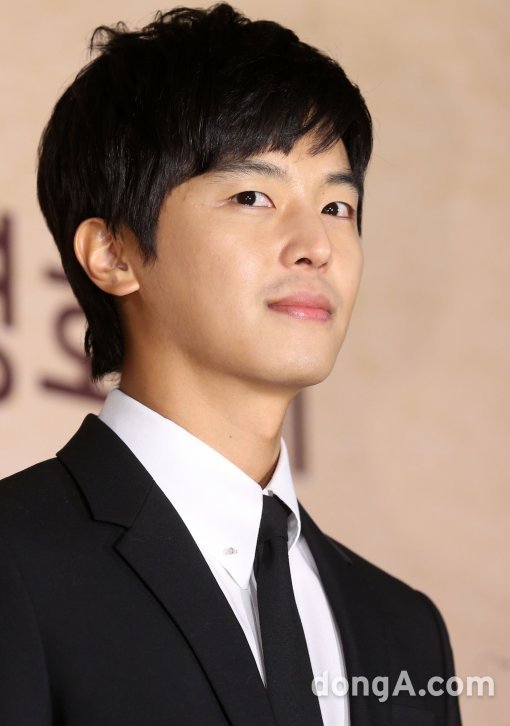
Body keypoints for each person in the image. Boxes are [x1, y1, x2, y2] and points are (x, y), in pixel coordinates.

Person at [0, 4, 462, 725]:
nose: (317, 247)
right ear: (114, 254)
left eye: (338, 207)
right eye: (253, 196)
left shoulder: (405, 630)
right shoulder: (15, 564)